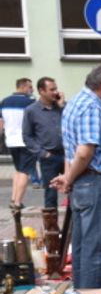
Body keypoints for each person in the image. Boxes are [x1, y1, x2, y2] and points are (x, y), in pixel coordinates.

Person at [54, 65, 101, 289]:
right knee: (96, 248)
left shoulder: (75, 103)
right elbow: (84, 152)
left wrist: (69, 176)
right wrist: (68, 179)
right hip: (97, 183)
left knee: (82, 246)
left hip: (86, 182)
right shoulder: (91, 108)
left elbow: (71, 150)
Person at [21, 77, 66, 211]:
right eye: (51, 89)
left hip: (68, 156)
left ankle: (73, 229)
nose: (55, 92)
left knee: (74, 191)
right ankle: (52, 230)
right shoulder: (31, 110)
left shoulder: (63, 107)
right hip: (49, 158)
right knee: (51, 196)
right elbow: (27, 136)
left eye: (55, 89)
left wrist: (62, 106)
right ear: (41, 91)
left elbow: (73, 125)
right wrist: (43, 153)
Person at [1, 77, 36, 209]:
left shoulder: (4, 101)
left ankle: (13, 199)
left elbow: (1, 122)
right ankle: (17, 202)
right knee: (24, 172)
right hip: (26, 141)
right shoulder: (30, 102)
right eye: (30, 87)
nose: (32, 90)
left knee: (18, 170)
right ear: (23, 87)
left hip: (10, 141)